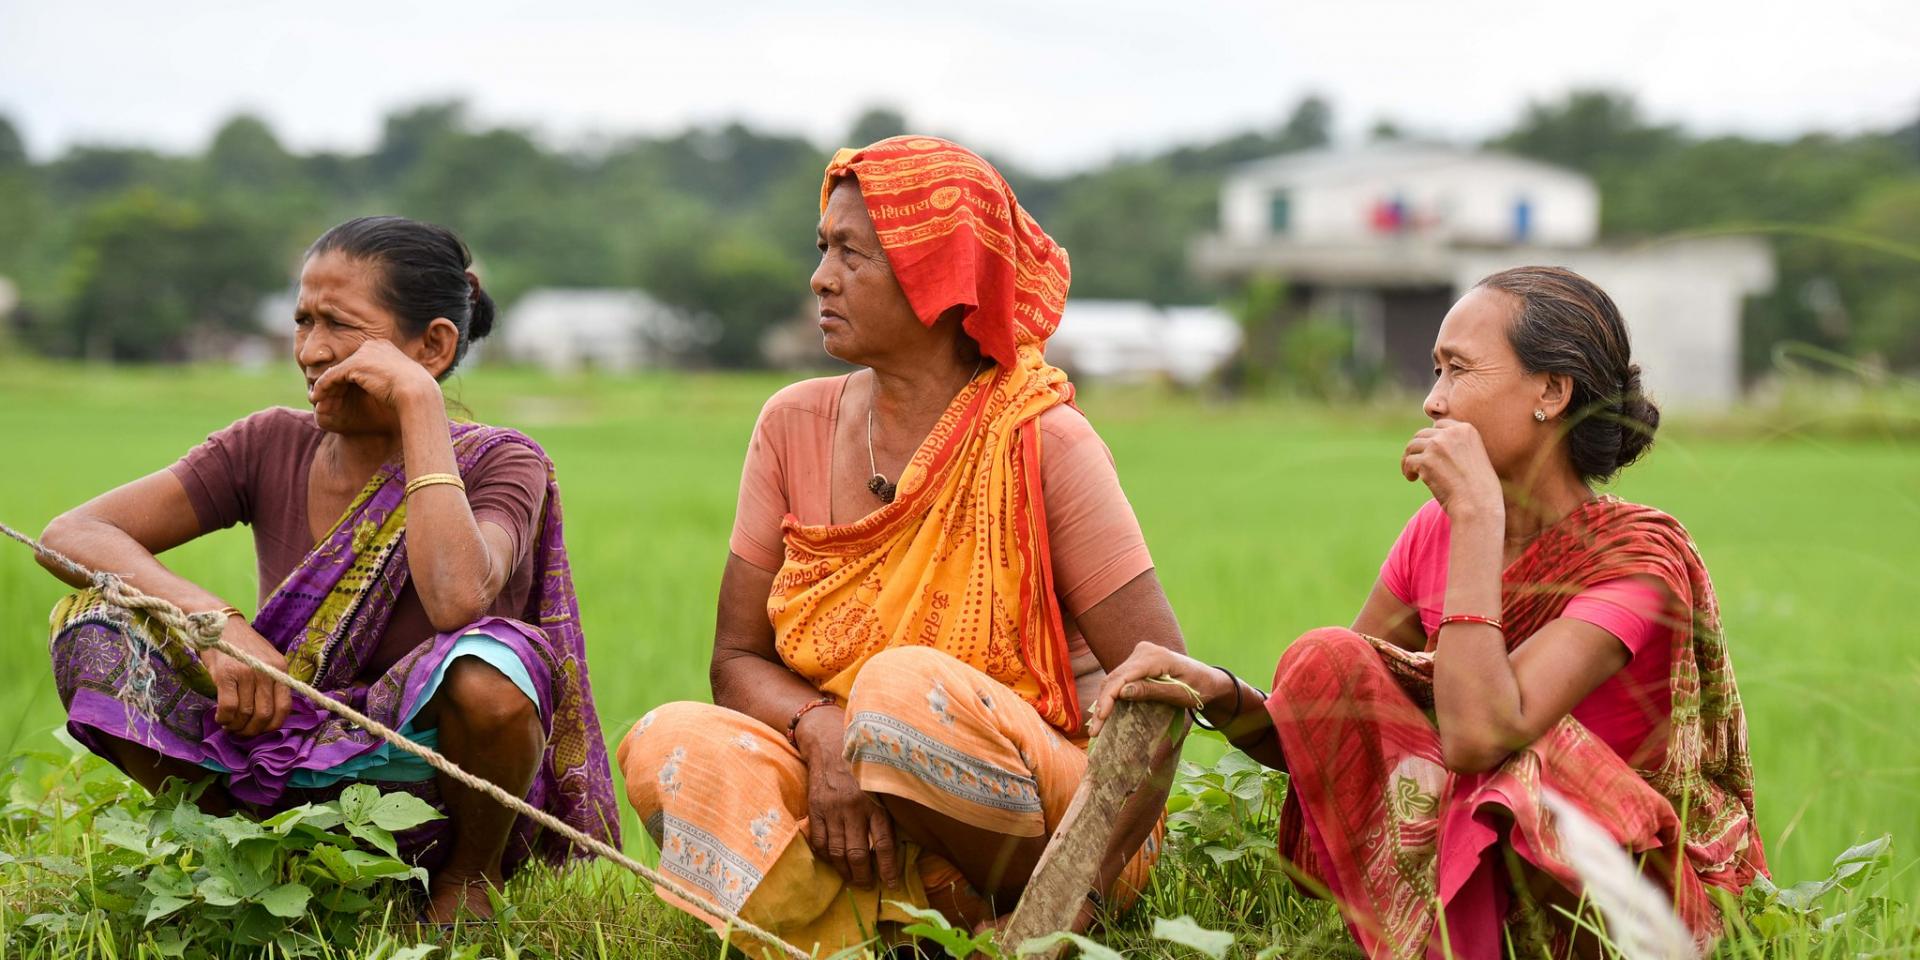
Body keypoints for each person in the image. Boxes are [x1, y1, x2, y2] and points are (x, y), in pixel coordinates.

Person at [1090, 266, 1767, 958]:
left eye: (1458, 371)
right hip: (1493, 905)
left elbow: (1482, 735)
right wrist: (1217, 691)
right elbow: (1335, 731)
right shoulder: (1433, 534)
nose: (1433, 401)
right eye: (1436, 371)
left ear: (1551, 392)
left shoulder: (1636, 563)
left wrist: (1476, 516)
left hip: (1630, 911)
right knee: (1328, 658)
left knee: (1523, 763)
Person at [617, 136, 1186, 954]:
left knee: (897, 692)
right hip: (849, 800)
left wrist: (1078, 894)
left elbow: (1162, 690)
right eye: (823, 249)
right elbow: (736, 660)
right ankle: (886, 928)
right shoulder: (790, 425)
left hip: (1060, 828)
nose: (820, 278)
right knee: (675, 740)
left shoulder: (1043, 441)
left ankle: (1007, 917)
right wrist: (822, 730)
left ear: (940, 275)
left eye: (851, 254)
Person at [38, 216, 620, 922]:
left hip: (430, 787)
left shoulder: (502, 462)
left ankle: (467, 883)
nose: (310, 351)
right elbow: (71, 534)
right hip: (270, 740)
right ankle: (245, 859)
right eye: (302, 321)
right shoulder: (266, 443)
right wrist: (218, 627)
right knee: (92, 624)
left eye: (339, 325)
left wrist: (419, 404)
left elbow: (456, 599)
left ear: (432, 345)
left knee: (493, 663)